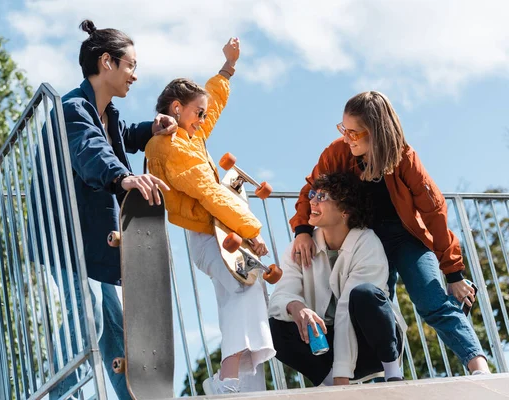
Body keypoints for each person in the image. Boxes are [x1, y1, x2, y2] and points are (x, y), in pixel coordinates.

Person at [289, 91, 489, 374]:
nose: (347, 137)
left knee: (432, 301)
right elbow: (311, 189)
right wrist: (302, 230)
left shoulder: (405, 158)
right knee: (377, 310)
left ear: (376, 132)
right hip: (366, 241)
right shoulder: (337, 152)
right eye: (343, 129)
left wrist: (453, 273)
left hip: (406, 238)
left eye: (354, 133)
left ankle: (479, 367)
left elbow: (434, 211)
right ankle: (389, 378)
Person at [34, 20, 177, 399]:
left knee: (115, 322)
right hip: (64, 238)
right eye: (130, 65)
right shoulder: (71, 109)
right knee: (88, 314)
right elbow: (89, 150)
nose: (135, 75)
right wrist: (121, 178)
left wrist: (151, 129)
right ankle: (62, 395)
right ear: (107, 62)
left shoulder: (107, 113)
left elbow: (121, 136)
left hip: (92, 239)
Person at [145, 38, 275, 395]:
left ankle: (242, 386)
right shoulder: (169, 145)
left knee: (246, 292)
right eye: (197, 114)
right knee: (243, 286)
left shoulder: (189, 135)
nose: (204, 120)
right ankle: (227, 380)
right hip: (210, 234)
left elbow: (212, 105)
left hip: (217, 231)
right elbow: (209, 191)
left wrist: (228, 67)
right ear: (176, 108)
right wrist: (250, 229)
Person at [269, 172, 407, 386]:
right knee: (275, 324)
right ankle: (328, 384)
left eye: (322, 197)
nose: (312, 201)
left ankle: (393, 374)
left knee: (365, 295)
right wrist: (296, 306)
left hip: (371, 349)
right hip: (327, 346)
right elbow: (281, 294)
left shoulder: (367, 243)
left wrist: (342, 377)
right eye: (313, 194)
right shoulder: (301, 246)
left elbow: (345, 310)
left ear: (345, 211)